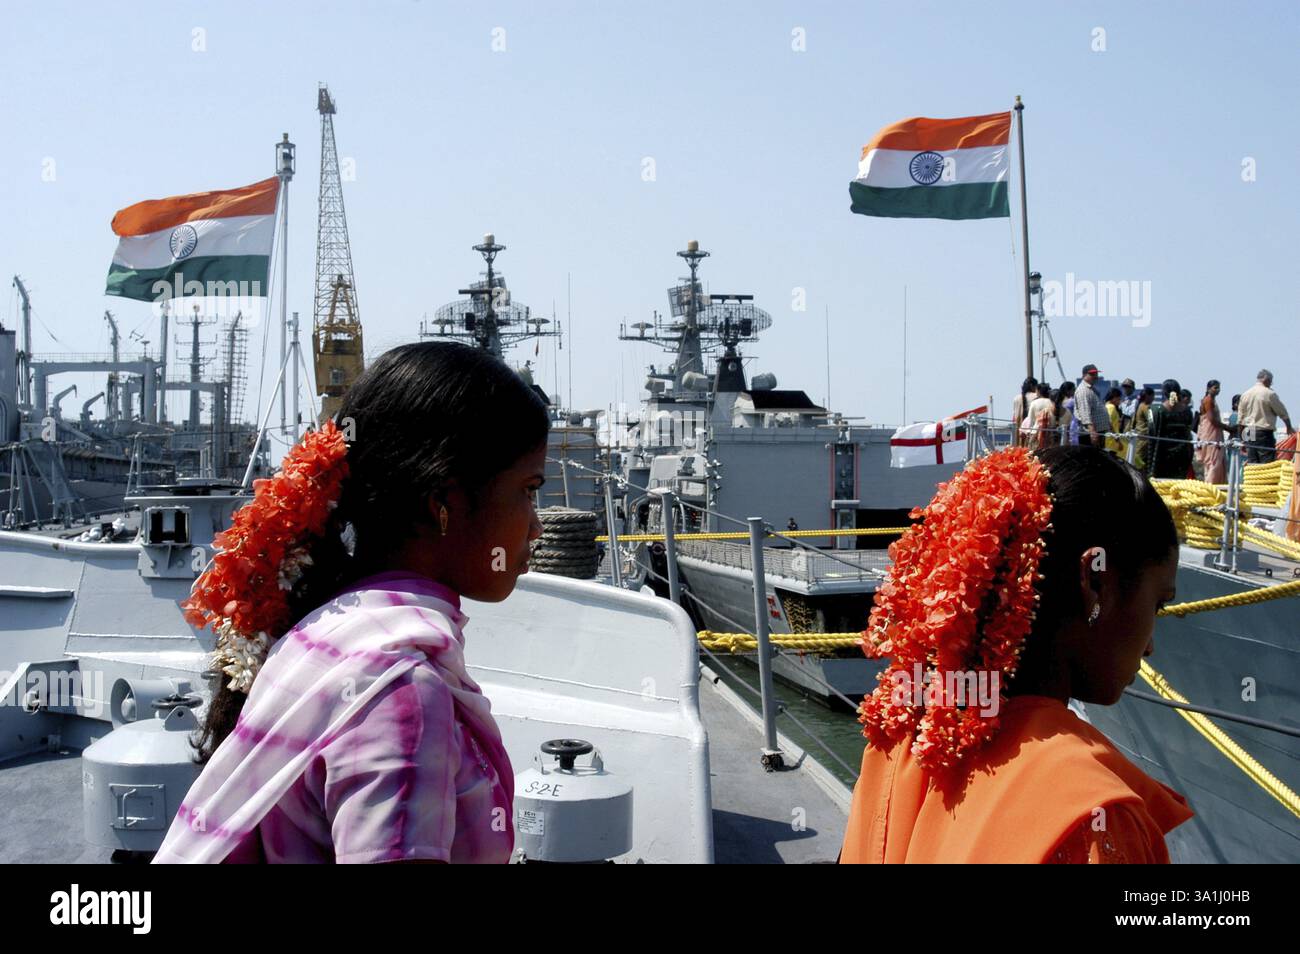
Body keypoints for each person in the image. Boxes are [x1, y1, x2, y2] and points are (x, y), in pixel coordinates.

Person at [153, 342, 550, 864]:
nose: (538, 527)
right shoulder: (404, 693)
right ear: (445, 505)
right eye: (528, 489)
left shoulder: (323, 629)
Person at [839, 445, 1190, 863]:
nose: (1149, 645)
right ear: (1096, 585)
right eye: (1158, 603)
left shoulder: (897, 736)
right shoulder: (1093, 817)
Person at [1238, 369, 1293, 464]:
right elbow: (1282, 413)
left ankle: (1253, 478)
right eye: (1271, 381)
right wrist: (1288, 427)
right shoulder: (1269, 394)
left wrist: (1242, 440)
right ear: (1266, 380)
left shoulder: (1245, 394)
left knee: (1252, 461)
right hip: (1263, 433)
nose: (1271, 384)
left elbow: (1241, 420)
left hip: (1249, 430)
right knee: (1266, 462)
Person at [1147, 379, 1194, 480]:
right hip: (1182, 457)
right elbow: (1189, 432)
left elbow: (1151, 436)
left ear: (1164, 392)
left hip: (1161, 457)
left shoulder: (1155, 410)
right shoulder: (1187, 411)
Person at [1197, 380, 1229, 484]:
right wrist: (1228, 428)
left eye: (1219, 388)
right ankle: (1210, 486)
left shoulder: (1212, 400)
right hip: (1210, 433)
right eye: (1215, 388)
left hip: (1214, 432)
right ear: (1208, 388)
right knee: (1213, 461)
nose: (1218, 390)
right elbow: (1212, 419)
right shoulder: (1208, 400)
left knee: (1215, 461)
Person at [1074, 364, 1108, 447]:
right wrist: (1092, 432)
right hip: (1090, 434)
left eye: (1096, 374)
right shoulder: (1083, 391)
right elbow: (1085, 414)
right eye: (1092, 374)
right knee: (1090, 458)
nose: (1095, 376)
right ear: (1084, 375)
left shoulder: (1091, 389)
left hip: (1098, 432)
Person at [1021, 382, 1055, 448]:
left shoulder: (1034, 403)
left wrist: (1028, 432)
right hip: (1050, 433)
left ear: (1039, 391)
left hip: (1036, 432)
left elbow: (1030, 419)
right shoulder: (1052, 402)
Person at [1132, 387, 1156, 472]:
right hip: (1144, 437)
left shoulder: (1140, 405)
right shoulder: (1146, 407)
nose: (1154, 398)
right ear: (1148, 396)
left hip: (1140, 436)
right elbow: (1151, 421)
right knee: (1141, 460)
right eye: (1153, 396)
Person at [1011, 376, 1038, 448]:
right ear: (1033, 386)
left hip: (1018, 430)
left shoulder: (1016, 398)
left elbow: (1014, 417)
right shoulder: (1036, 396)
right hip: (1031, 429)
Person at [1053, 382, 1076, 448]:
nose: (1074, 391)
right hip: (1066, 431)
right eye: (1073, 389)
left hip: (1056, 432)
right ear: (1068, 391)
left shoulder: (1059, 401)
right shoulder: (1070, 402)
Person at [1104, 387, 1125, 457]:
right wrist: (1118, 440)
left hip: (1107, 441)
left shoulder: (1105, 406)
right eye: (1119, 399)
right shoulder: (1111, 407)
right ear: (1114, 398)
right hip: (1112, 442)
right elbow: (1109, 423)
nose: (1120, 401)